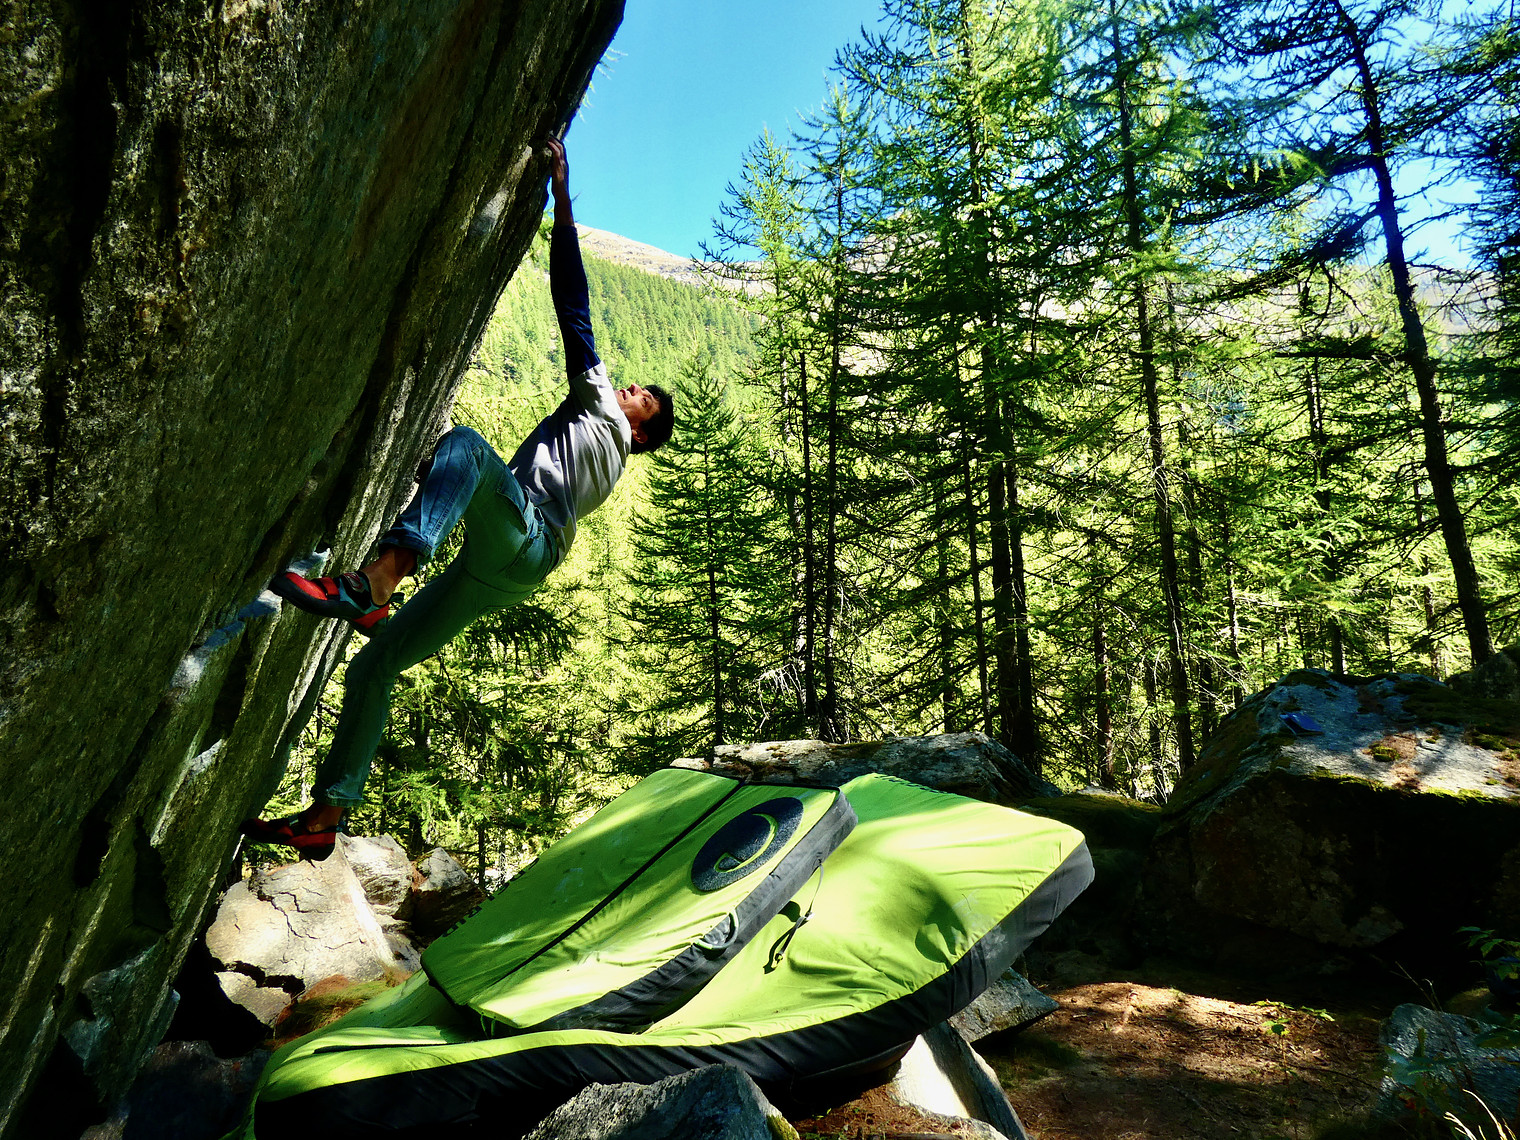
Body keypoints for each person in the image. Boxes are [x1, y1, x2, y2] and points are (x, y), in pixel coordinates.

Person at [243, 138, 674, 860]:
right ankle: (326, 815)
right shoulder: (612, 466)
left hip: (523, 537)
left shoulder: (602, 408)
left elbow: (574, 306)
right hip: (511, 569)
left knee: (469, 447)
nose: (629, 387)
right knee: (375, 666)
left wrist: (564, 202)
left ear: (639, 426)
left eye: (642, 397)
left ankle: (376, 583)